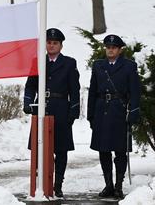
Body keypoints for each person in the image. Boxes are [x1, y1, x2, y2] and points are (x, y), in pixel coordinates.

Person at [23, 28, 80, 198]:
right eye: (49, 42)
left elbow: (74, 89)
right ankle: (41, 182)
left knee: (61, 150)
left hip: (61, 108)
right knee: (38, 148)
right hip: (41, 108)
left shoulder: (69, 63)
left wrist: (74, 110)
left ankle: (58, 184)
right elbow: (30, 85)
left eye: (55, 43)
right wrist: (27, 102)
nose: (51, 45)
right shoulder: (38, 61)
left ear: (61, 45)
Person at [87, 34, 141, 199]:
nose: (110, 50)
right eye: (108, 47)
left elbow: (135, 91)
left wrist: (133, 111)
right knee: (103, 150)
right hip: (101, 110)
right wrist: (90, 115)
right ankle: (108, 185)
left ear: (119, 49)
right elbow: (92, 91)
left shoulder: (129, 66)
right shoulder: (98, 66)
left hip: (119, 110)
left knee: (120, 151)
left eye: (113, 47)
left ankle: (118, 186)